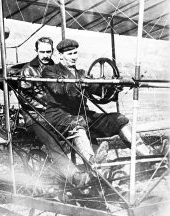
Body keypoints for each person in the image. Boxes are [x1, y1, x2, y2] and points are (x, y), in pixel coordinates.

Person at [41, 38, 151, 163]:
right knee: (77, 124)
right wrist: (82, 83)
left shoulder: (82, 73)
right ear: (60, 55)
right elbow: (60, 89)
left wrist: (115, 85)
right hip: (58, 116)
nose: (73, 57)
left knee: (119, 119)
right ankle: (91, 161)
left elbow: (99, 91)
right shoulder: (50, 71)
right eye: (69, 54)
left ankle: (147, 155)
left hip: (83, 115)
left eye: (75, 53)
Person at [19, 37, 92, 188]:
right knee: (51, 141)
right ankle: (74, 175)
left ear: (53, 51)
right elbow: (25, 97)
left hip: (55, 114)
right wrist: (48, 106)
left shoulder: (55, 68)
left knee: (82, 125)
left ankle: (94, 164)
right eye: (42, 52)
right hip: (34, 115)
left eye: (48, 51)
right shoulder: (28, 69)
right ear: (36, 51)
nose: (45, 55)